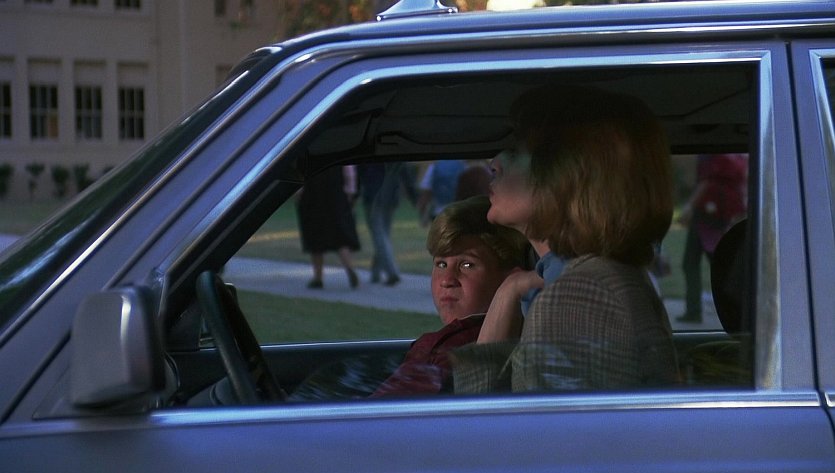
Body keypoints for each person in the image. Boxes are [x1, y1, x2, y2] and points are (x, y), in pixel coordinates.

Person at [454, 85, 680, 394]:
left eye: (519, 151)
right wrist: (508, 290)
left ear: (567, 176)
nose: (494, 162)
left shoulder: (580, 295)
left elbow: (510, 423)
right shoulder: (600, 278)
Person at [369, 195, 531, 397]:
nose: (447, 280)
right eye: (441, 264)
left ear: (509, 277)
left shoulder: (454, 349)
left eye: (467, 265)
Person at [677, 153, 748, 323]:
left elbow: (706, 181)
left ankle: (695, 311)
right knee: (715, 261)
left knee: (691, 263)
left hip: (704, 215)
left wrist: (689, 206)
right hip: (720, 213)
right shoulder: (732, 158)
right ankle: (736, 308)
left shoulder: (708, 157)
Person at [295, 165, 361, 289]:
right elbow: (349, 171)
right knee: (340, 236)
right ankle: (349, 267)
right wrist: (350, 191)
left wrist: (298, 192)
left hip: (312, 196)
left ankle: (318, 277)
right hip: (336, 194)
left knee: (315, 237)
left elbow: (300, 170)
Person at [358, 163, 418, 286]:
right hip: (391, 196)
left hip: (374, 196)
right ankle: (375, 273)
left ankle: (392, 272)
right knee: (383, 235)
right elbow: (405, 173)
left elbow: (361, 172)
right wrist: (414, 197)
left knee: (379, 236)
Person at [416, 159, 466, 225]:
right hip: (458, 212)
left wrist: (423, 215)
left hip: (439, 213)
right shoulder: (462, 166)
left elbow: (426, 193)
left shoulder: (435, 167)